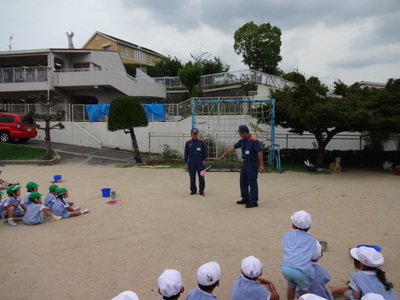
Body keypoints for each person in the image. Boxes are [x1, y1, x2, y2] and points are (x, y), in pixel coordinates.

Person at [328, 246, 398, 300]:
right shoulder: (381, 274)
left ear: (361, 265)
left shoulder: (358, 276)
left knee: (347, 293)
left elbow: (356, 295)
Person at [220, 125, 265, 208]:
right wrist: (224, 155)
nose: (239, 134)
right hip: (245, 163)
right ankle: (245, 198)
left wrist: (261, 165)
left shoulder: (254, 141)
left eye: (240, 133)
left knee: (252, 182)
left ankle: (253, 201)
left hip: (252, 163)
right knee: (243, 181)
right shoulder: (242, 141)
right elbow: (233, 148)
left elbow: (259, 152)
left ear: (244, 132)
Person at [281, 210, 317, 300]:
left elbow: (284, 246)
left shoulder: (286, 235)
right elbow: (313, 254)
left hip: (286, 267)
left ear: (292, 225)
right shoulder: (312, 239)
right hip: (302, 271)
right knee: (305, 291)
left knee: (291, 286)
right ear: (309, 227)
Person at [184, 128, 207, 196]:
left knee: (201, 175)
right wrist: (186, 161)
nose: (195, 135)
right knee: (192, 176)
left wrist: (204, 160)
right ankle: (193, 190)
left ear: (197, 134)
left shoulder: (201, 142)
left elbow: (204, 152)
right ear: (191, 134)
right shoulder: (188, 142)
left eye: (196, 134)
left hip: (199, 159)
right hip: (191, 160)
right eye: (193, 134)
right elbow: (186, 153)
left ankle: (201, 190)